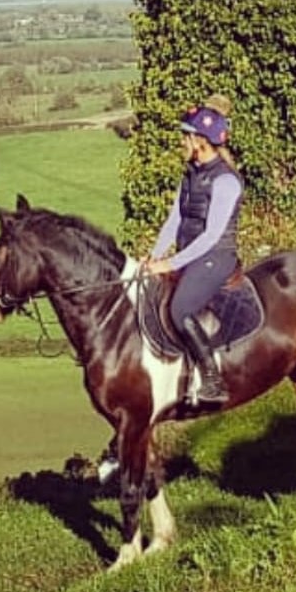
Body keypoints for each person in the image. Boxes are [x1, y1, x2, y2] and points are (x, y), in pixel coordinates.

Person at [97, 94, 243, 483]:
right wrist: (153, 257)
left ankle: (210, 380)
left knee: (179, 310)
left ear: (200, 140)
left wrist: (171, 263)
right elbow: (175, 219)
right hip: (188, 256)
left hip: (216, 258)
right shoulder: (190, 175)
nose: (181, 142)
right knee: (150, 297)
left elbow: (213, 234)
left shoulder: (226, 181)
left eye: (185, 136)